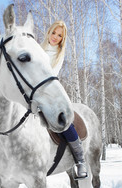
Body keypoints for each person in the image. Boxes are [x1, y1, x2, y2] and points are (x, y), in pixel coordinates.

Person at [41, 21, 87, 179]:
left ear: (63, 39)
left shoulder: (59, 53)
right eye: (54, 32)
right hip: (32, 91)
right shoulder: (37, 48)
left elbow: (51, 74)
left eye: (59, 35)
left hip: (50, 90)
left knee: (64, 119)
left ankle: (80, 160)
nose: (55, 37)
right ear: (49, 31)